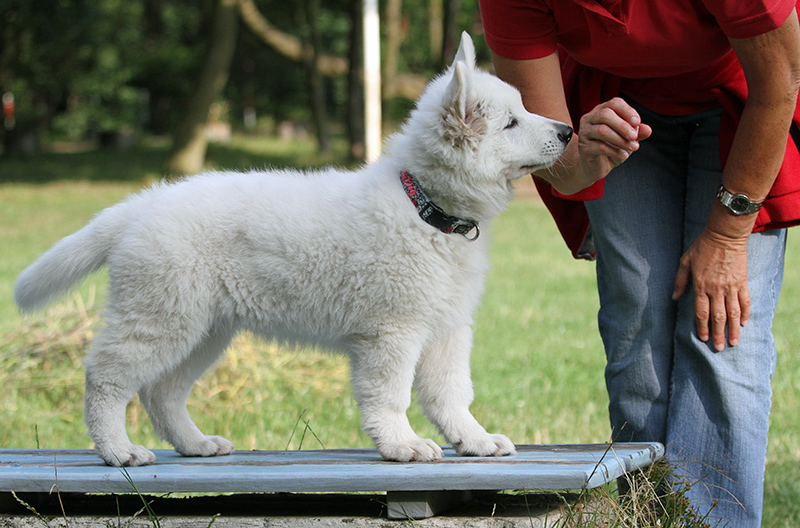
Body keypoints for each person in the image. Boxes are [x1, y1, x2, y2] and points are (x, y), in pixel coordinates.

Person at [478, 1, 800, 526]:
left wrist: (727, 233)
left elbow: (781, 79)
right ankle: (649, 517)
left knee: (720, 330)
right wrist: (583, 156)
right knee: (636, 322)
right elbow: (562, 167)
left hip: (749, 100)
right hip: (617, 106)